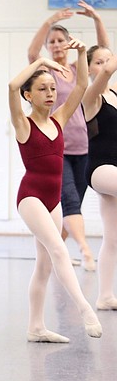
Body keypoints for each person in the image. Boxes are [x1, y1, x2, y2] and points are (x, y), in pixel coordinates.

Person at [9, 38, 102, 342]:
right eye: (42, 89)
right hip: (31, 197)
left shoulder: (59, 120)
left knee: (45, 264)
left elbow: (80, 88)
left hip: (53, 200)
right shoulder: (23, 124)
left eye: (52, 88)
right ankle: (85, 309)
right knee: (59, 249)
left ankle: (36, 327)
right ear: (29, 95)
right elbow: (11, 87)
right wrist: (42, 63)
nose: (50, 93)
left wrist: (80, 53)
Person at [27, 0, 111, 271]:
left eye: (61, 40)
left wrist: (98, 19)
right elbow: (31, 52)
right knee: (70, 201)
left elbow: (103, 55)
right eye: (52, 41)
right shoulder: (46, 73)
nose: (56, 45)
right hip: (58, 149)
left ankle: (56, 253)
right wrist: (48, 22)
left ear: (68, 43)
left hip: (84, 148)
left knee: (68, 206)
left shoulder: (78, 71)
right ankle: (86, 252)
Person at [82, 44, 117, 310]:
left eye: (107, 59)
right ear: (90, 67)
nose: (104, 64)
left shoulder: (115, 93)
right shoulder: (90, 97)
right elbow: (107, 70)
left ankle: (105, 296)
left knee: (112, 238)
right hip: (100, 168)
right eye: (99, 61)